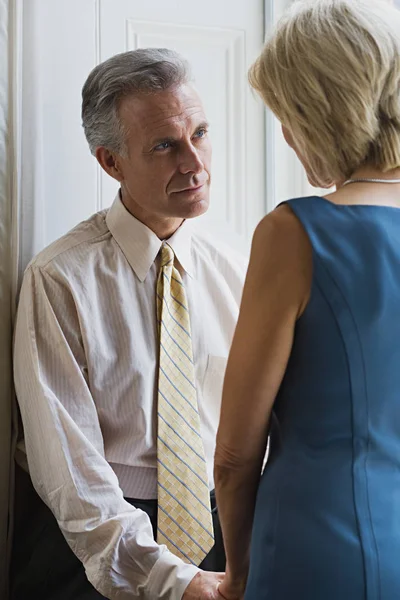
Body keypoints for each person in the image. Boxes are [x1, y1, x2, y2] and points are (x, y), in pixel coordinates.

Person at [11, 48, 246, 600]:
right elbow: (68, 473)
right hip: (92, 553)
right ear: (110, 162)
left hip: (224, 538)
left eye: (201, 133)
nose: (195, 163)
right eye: (165, 145)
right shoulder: (59, 277)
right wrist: (170, 579)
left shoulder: (238, 273)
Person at [214, 1, 400, 599]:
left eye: (287, 117)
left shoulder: (296, 233)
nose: (288, 138)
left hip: (321, 544)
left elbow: (236, 455)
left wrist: (238, 573)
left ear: (324, 112)